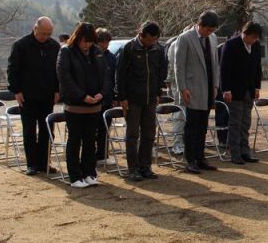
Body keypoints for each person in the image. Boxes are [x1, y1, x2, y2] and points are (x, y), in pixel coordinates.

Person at [56, 23, 112, 188]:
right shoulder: (66, 51)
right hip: (75, 106)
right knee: (75, 140)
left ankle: (89, 173)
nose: (87, 44)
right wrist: (82, 96)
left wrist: (102, 92)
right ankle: (75, 176)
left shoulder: (97, 52)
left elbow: (106, 75)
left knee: (90, 140)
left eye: (90, 41)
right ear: (77, 38)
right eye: (84, 41)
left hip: (95, 105)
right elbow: (64, 77)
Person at [7, 16, 61, 176]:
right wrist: (16, 90)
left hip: (48, 95)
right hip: (27, 96)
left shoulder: (54, 46)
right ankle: (31, 164)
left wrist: (58, 90)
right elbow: (12, 69)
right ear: (35, 29)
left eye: (49, 33)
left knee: (47, 130)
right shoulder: (21, 45)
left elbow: (59, 71)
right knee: (29, 130)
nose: (45, 37)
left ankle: (44, 163)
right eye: (43, 33)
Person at [116, 21, 168, 182]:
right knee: (132, 135)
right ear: (140, 35)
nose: (152, 43)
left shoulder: (158, 49)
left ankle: (145, 166)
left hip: (151, 98)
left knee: (149, 133)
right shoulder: (129, 48)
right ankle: (133, 169)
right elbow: (120, 74)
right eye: (149, 40)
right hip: (132, 99)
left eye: (154, 40)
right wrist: (122, 97)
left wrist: (159, 91)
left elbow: (161, 71)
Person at [174, 11, 221, 174]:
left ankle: (201, 158)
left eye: (212, 30)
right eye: (208, 30)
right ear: (200, 25)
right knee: (192, 125)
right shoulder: (185, 38)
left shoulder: (213, 39)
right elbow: (179, 66)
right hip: (192, 88)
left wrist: (216, 85)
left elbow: (215, 64)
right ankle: (190, 160)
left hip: (208, 88)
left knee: (203, 124)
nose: (210, 33)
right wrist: (183, 88)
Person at [220, 21, 263, 164]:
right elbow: (224, 69)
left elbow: (258, 67)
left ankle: (245, 151)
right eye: (253, 37)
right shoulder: (231, 45)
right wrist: (226, 90)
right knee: (235, 122)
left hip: (249, 91)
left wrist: (257, 87)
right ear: (245, 33)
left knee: (246, 122)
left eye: (256, 38)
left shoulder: (256, 46)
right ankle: (234, 153)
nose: (254, 40)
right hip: (234, 91)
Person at [94, 28, 117, 163]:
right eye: (102, 42)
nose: (105, 45)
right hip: (94, 98)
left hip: (107, 98)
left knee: (105, 128)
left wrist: (114, 96)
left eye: (107, 42)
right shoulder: (90, 56)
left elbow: (113, 78)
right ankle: (91, 155)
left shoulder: (111, 57)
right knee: (92, 130)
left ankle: (102, 155)